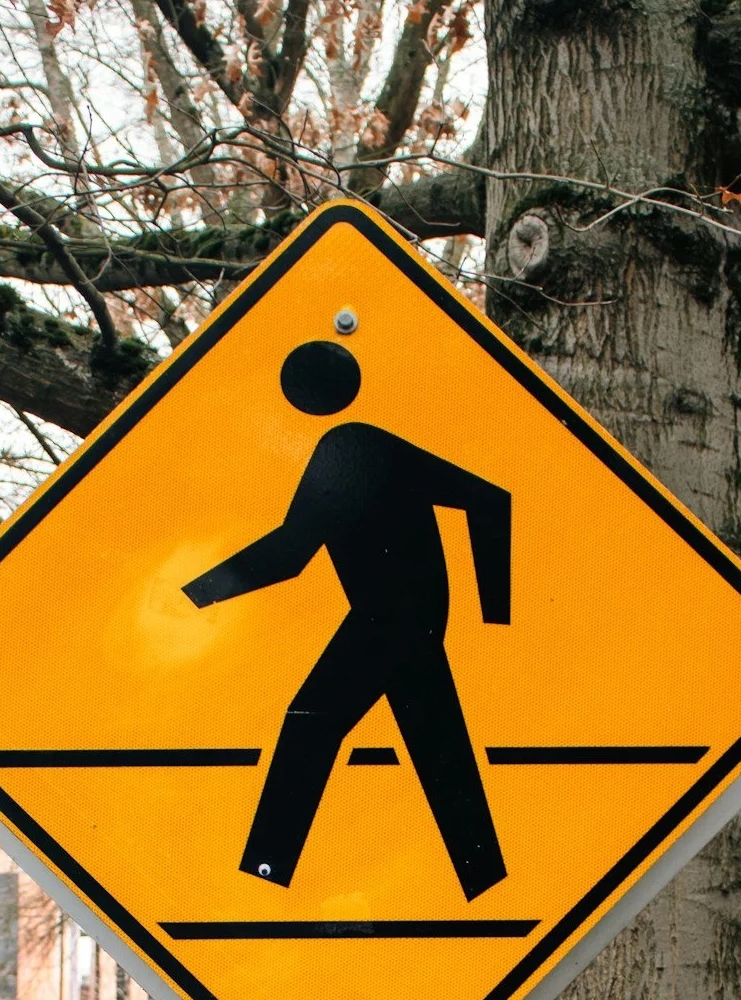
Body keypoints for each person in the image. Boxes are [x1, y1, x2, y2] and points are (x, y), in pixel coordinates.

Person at [184, 339, 513, 899]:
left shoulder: (353, 445)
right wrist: (201, 593)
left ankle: (261, 881)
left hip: (391, 619)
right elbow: (293, 553)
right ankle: (488, 883)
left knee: (309, 723)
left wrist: (497, 616)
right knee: (439, 748)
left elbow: (491, 500)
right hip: (406, 619)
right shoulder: (350, 448)